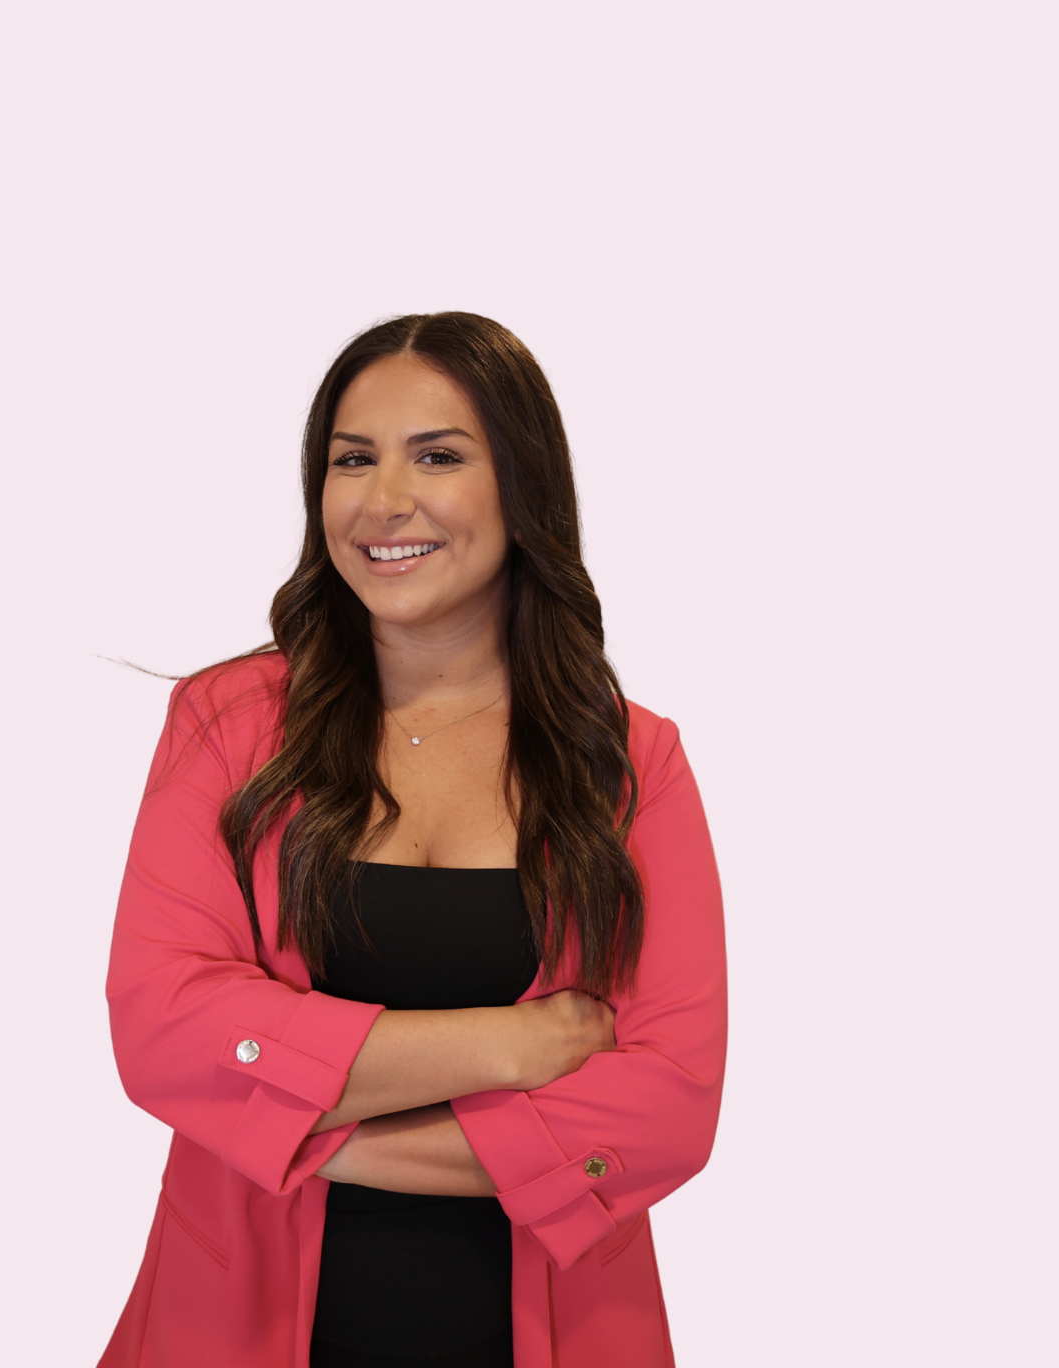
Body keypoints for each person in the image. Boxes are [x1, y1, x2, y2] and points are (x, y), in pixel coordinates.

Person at [98, 312, 727, 1368]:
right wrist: (511, 1047)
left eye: (435, 454)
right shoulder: (226, 724)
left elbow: (667, 1106)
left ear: (518, 487)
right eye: (353, 460)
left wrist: (307, 1133)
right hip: (229, 1329)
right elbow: (165, 1029)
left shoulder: (627, 760)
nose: (384, 500)